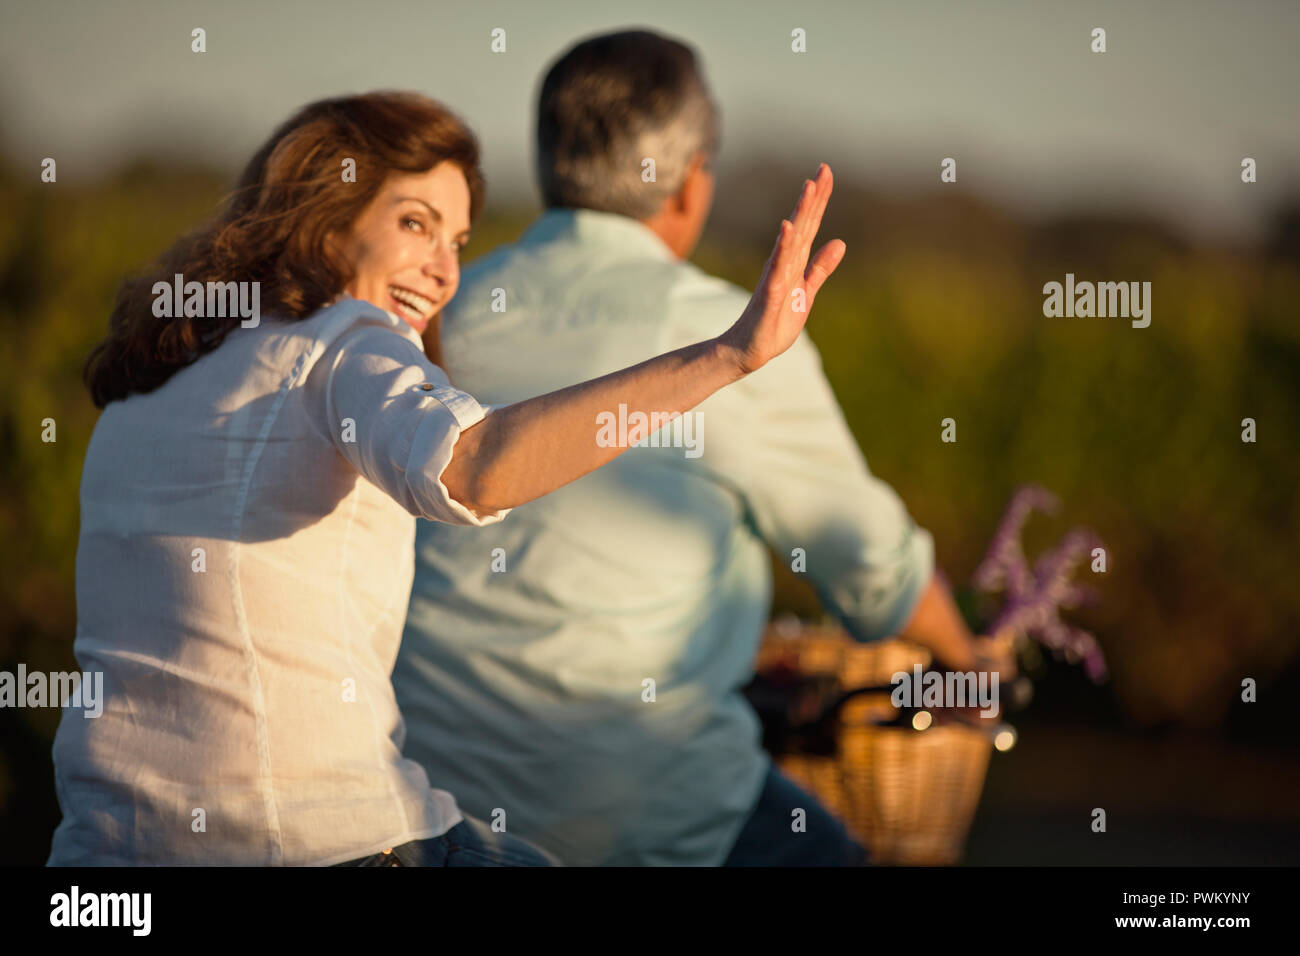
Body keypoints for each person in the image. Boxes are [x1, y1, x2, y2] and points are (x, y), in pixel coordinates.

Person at [46, 90, 844, 866]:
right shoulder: (345, 340)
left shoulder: (149, 382)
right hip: (321, 839)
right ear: (325, 216)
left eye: (457, 241)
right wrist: (727, 355)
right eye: (415, 224)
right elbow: (474, 467)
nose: (441, 271)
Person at [394, 31, 1011, 867]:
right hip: (644, 814)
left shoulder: (438, 313)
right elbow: (872, 567)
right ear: (689, 182)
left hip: (429, 800)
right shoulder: (741, 334)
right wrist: (970, 659)